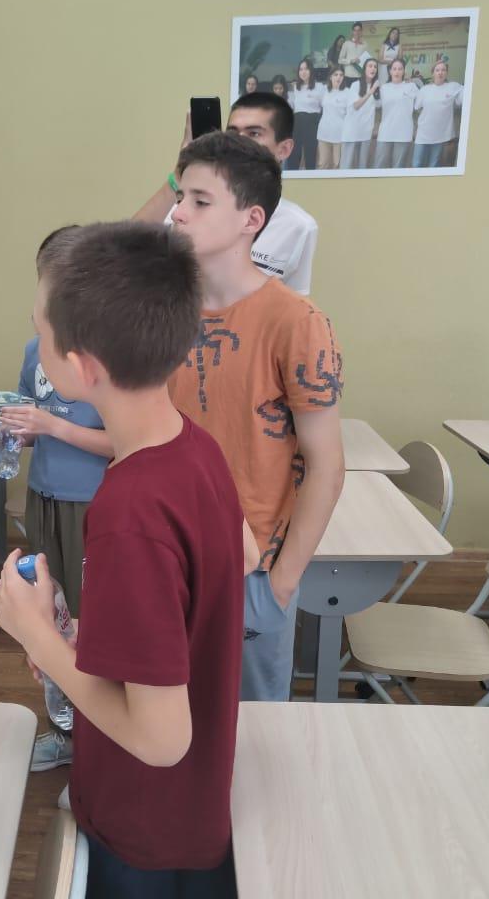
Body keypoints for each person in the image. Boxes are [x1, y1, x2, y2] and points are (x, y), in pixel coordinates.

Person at [0, 221, 246, 897]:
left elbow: (160, 739)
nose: (35, 335)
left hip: (145, 824)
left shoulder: (129, 511)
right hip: (193, 808)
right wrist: (85, 637)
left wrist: (37, 636)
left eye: (40, 328)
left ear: (82, 367)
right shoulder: (195, 450)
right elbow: (200, 595)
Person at [169, 131, 345, 702]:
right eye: (181, 196)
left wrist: (280, 584)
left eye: (200, 201)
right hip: (165, 553)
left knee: (249, 731)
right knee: (161, 713)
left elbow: (326, 465)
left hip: (250, 569)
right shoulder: (163, 311)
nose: (179, 212)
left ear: (252, 219)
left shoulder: (295, 322)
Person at [0, 225, 113, 774]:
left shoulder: (111, 355)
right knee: (50, 618)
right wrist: (15, 433)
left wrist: (52, 427)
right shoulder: (34, 351)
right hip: (44, 499)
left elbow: (123, 442)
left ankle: (103, 742)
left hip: (94, 506)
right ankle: (64, 732)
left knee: (94, 628)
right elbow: (30, 419)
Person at [134, 92, 319, 295]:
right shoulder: (186, 208)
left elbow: (291, 300)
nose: (239, 143)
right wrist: (181, 173)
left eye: (254, 133)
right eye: (232, 133)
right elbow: (127, 250)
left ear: (284, 149)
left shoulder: (298, 226)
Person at [412, 60, 463, 168]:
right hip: (423, 134)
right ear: (433, 73)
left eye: (443, 70)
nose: (440, 72)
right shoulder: (425, 90)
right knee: (417, 164)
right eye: (437, 70)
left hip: (440, 135)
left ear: (446, 73)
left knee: (434, 165)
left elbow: (463, 97)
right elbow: (416, 107)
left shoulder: (453, 87)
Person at [374, 58, 419, 168]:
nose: (397, 71)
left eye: (400, 69)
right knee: (379, 166)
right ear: (390, 71)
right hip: (385, 133)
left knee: (398, 168)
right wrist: (372, 89)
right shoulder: (384, 88)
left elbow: (421, 103)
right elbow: (376, 104)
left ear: (404, 71)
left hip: (403, 134)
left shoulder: (411, 87)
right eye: (394, 69)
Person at [340, 57, 380, 169]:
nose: (373, 69)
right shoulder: (355, 85)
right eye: (370, 66)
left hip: (366, 133)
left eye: (375, 67)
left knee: (362, 167)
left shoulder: (377, 88)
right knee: (346, 167)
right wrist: (370, 92)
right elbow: (356, 106)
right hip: (352, 132)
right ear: (364, 69)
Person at [285, 57, 323, 171]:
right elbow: (290, 106)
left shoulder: (319, 87)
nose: (303, 72)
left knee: (310, 153)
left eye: (306, 69)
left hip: (312, 121)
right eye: (301, 69)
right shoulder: (295, 87)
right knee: (294, 153)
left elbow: (325, 106)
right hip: (297, 121)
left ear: (311, 70)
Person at [316, 68, 348, 169]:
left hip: (340, 134)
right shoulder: (323, 90)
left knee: (337, 164)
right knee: (323, 164)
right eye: (336, 74)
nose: (338, 77)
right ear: (330, 77)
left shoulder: (347, 92)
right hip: (324, 133)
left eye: (341, 75)